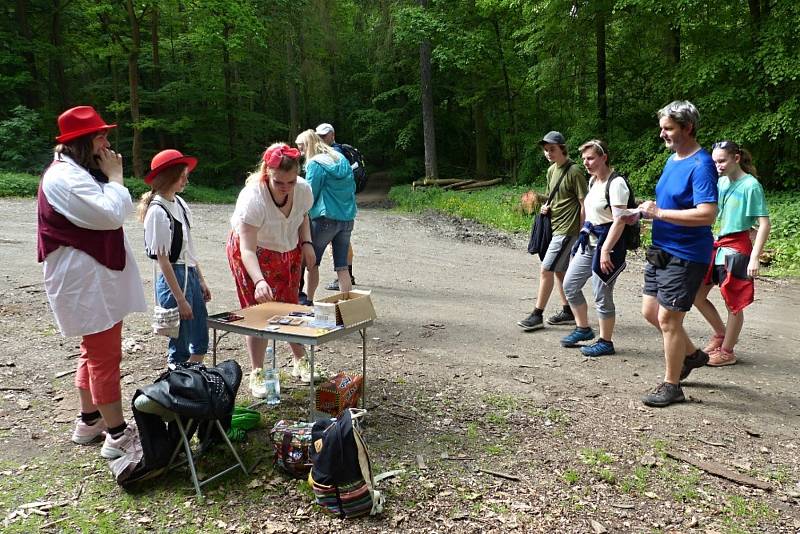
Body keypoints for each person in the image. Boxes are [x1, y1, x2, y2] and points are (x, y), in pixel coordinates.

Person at [37, 105, 146, 458]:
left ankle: (89, 420)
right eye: (102, 136)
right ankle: (116, 435)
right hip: (85, 282)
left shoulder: (77, 172)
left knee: (93, 351)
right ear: (85, 142)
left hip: (91, 278)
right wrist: (116, 177)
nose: (107, 142)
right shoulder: (65, 179)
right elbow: (111, 214)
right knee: (104, 356)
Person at [639, 100, 718, 408]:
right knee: (651, 312)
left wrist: (660, 213)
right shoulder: (673, 160)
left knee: (669, 318)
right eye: (662, 128)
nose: (663, 135)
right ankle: (692, 355)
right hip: (662, 249)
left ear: (688, 128)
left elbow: (706, 214)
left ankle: (672, 385)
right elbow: (671, 204)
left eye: (669, 128)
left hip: (686, 254)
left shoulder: (702, 165)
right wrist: (647, 212)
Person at [227, 144, 321, 394]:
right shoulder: (252, 198)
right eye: (280, 182)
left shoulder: (302, 190)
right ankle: (257, 371)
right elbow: (247, 249)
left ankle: (300, 361)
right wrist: (258, 281)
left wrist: (307, 243)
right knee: (260, 312)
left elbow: (302, 217)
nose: (286, 188)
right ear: (267, 173)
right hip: (252, 253)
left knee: (291, 306)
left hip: (287, 248)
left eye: (291, 182)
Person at [692, 141, 770, 366]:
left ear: (736, 158)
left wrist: (755, 256)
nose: (718, 166)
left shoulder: (751, 185)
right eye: (715, 162)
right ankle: (720, 334)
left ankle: (727, 352)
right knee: (697, 295)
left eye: (722, 161)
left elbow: (764, 224)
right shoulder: (722, 182)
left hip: (737, 248)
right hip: (716, 246)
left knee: (733, 303)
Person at [138, 149, 211, 366]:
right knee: (180, 341)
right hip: (174, 278)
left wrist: (201, 280)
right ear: (169, 177)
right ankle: (178, 383)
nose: (185, 181)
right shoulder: (158, 212)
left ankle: (195, 378)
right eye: (182, 176)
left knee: (199, 335)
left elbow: (189, 248)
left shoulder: (179, 204)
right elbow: (163, 260)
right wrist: (180, 299)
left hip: (188, 272)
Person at [561, 140, 632, 357]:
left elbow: (620, 220)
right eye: (584, 159)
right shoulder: (593, 181)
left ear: (604, 157)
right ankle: (583, 328)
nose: (586, 163)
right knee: (570, 285)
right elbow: (590, 213)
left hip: (609, 245)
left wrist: (605, 250)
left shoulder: (617, 183)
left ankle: (605, 341)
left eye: (590, 158)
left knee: (601, 293)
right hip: (589, 241)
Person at [518, 131, 587, 331]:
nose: (548, 153)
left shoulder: (575, 172)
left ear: (562, 148)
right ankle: (568, 311)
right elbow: (553, 196)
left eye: (552, 149)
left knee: (546, 269)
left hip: (568, 229)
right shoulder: (551, 171)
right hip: (555, 226)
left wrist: (583, 231)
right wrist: (545, 206)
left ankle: (537, 314)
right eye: (546, 150)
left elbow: (584, 204)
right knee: (559, 270)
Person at [294, 129, 357, 302]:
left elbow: (310, 195)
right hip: (346, 219)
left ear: (308, 145)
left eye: (300, 148)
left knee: (311, 263)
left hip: (324, 219)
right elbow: (352, 188)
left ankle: (309, 301)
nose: (299, 153)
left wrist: (300, 213)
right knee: (342, 267)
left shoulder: (315, 164)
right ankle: (348, 306)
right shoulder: (341, 158)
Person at [315, 122, 357, 291]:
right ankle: (348, 276)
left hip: (332, 209)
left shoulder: (332, 154)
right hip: (345, 208)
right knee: (342, 243)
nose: (322, 139)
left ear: (332, 135)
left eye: (325, 135)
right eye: (319, 136)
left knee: (331, 247)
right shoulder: (339, 154)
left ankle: (347, 275)